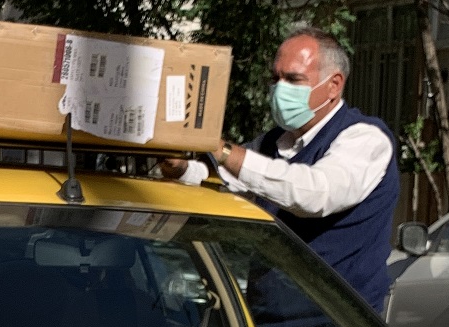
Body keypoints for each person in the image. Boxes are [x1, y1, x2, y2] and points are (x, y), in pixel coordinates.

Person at [162, 29, 400, 311]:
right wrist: (180, 169)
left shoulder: (365, 138)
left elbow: (313, 193)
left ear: (334, 85)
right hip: (271, 318)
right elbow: (227, 183)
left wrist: (221, 149)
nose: (279, 89)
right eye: (275, 79)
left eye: (293, 79)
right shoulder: (276, 142)